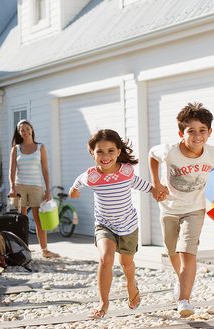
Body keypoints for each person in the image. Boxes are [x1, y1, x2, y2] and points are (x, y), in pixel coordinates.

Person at [149, 102, 214, 317]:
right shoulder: (169, 151)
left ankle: (184, 300)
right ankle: (180, 283)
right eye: (191, 131)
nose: (197, 136)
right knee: (173, 253)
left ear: (209, 132)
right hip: (168, 208)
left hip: (195, 210)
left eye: (202, 130)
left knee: (187, 252)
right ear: (182, 133)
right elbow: (152, 155)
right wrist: (156, 184)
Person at [69, 129, 162, 319]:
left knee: (126, 264)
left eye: (111, 151)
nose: (105, 156)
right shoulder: (92, 176)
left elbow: (139, 183)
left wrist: (155, 191)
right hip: (105, 225)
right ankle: (103, 303)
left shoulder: (126, 171)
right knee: (106, 258)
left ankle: (131, 285)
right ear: (92, 153)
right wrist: (73, 190)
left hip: (128, 225)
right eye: (100, 152)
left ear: (119, 151)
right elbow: (78, 182)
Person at [8, 119, 59, 259]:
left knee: (38, 220)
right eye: (22, 130)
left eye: (27, 128)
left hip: (37, 187)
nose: (25, 132)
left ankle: (45, 250)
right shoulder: (16, 149)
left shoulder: (40, 147)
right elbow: (11, 171)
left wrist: (48, 190)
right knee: (21, 220)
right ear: (19, 133)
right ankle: (23, 249)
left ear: (32, 129)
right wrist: (12, 187)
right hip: (20, 188)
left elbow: (45, 170)